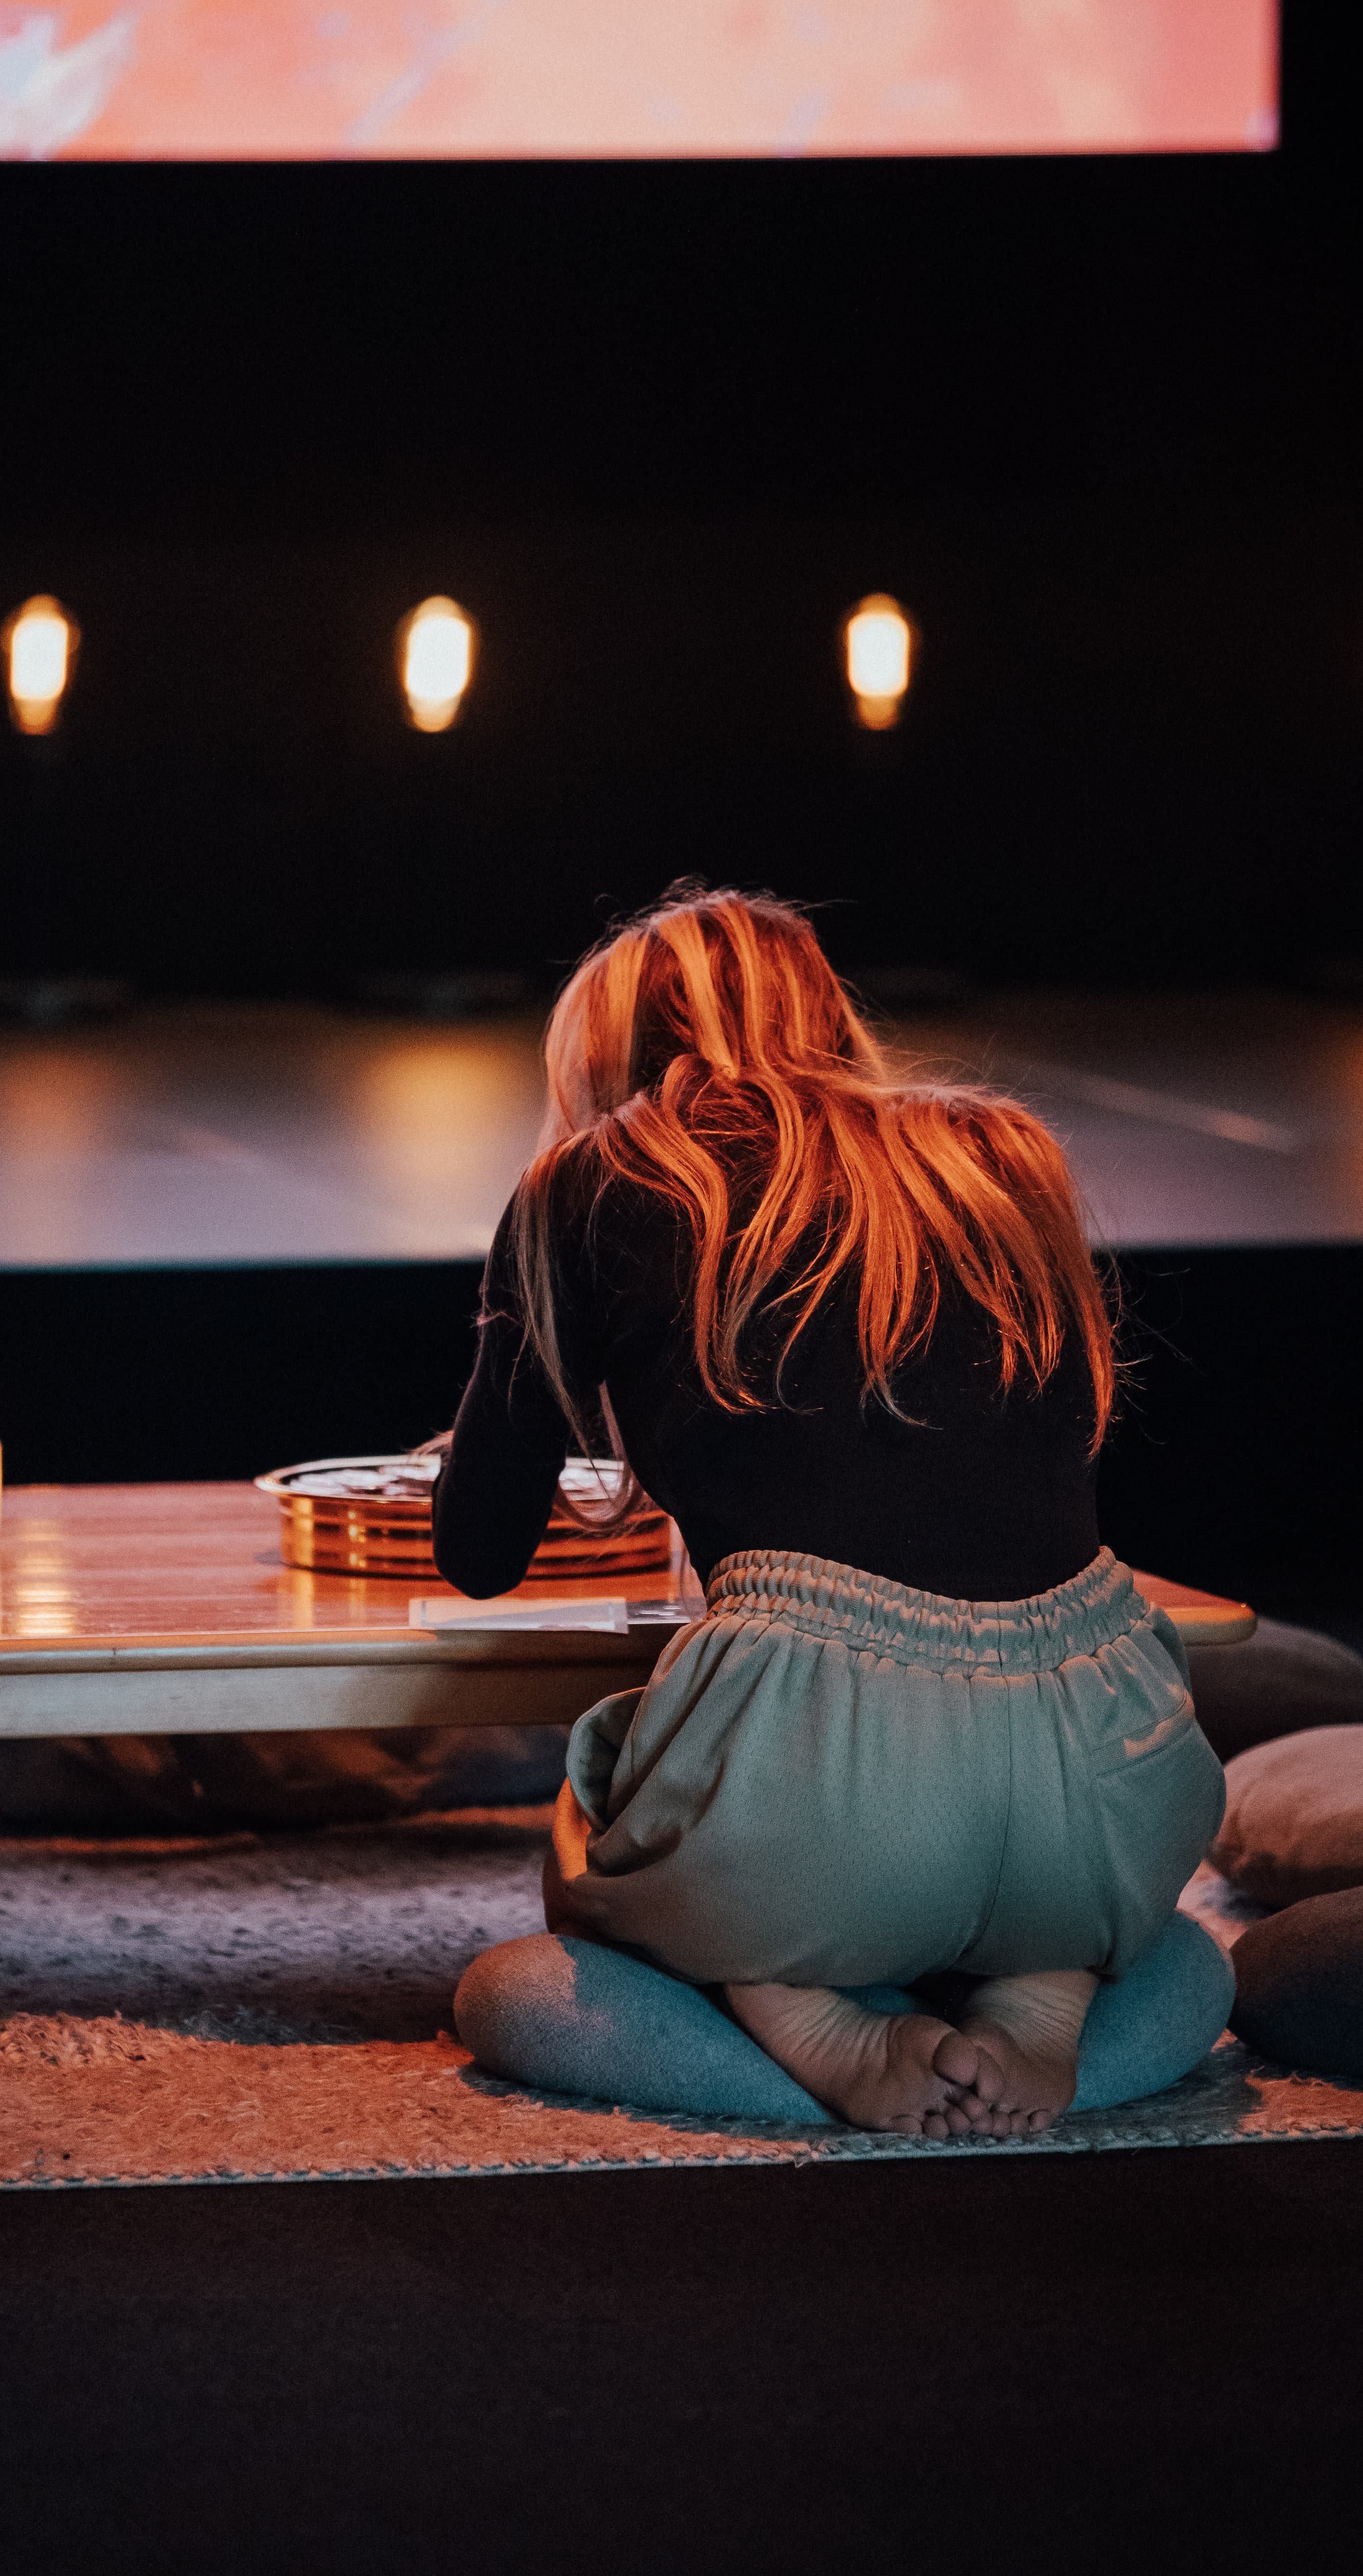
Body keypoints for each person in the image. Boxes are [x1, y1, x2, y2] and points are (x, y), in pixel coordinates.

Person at [433, 886, 1225, 2137]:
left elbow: (478, 1553)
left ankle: (796, 2011)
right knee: (1187, 1960)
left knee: (586, 1826)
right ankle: (1047, 1985)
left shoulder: (592, 1181)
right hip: (1115, 1753)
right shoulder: (1003, 1153)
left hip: (814, 1797)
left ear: (604, 1057)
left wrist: (528, 1358)